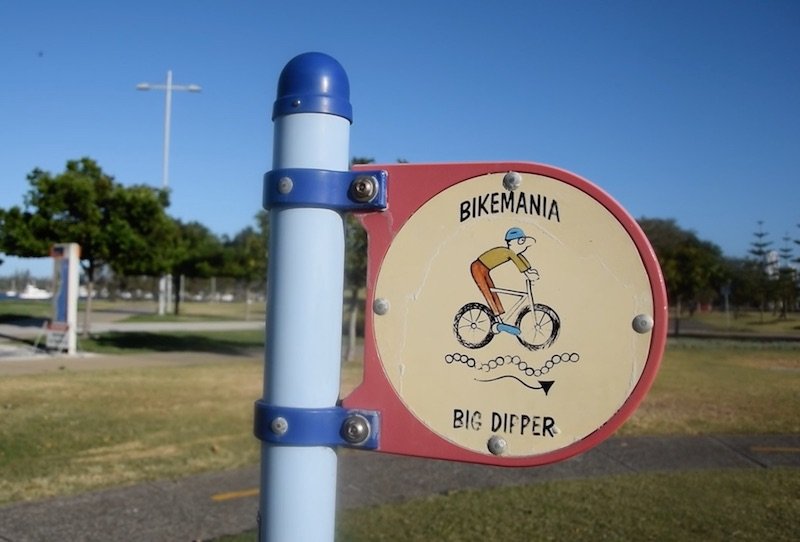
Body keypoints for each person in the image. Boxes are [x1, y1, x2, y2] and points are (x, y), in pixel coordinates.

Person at [470, 227, 539, 335]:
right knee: (488, 293)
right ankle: (497, 325)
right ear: (518, 242)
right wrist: (527, 273)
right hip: (477, 267)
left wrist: (530, 271)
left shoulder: (514, 254)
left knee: (494, 293)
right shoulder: (508, 252)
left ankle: (499, 321)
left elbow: (522, 260)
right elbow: (518, 262)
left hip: (485, 269)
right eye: (522, 241)